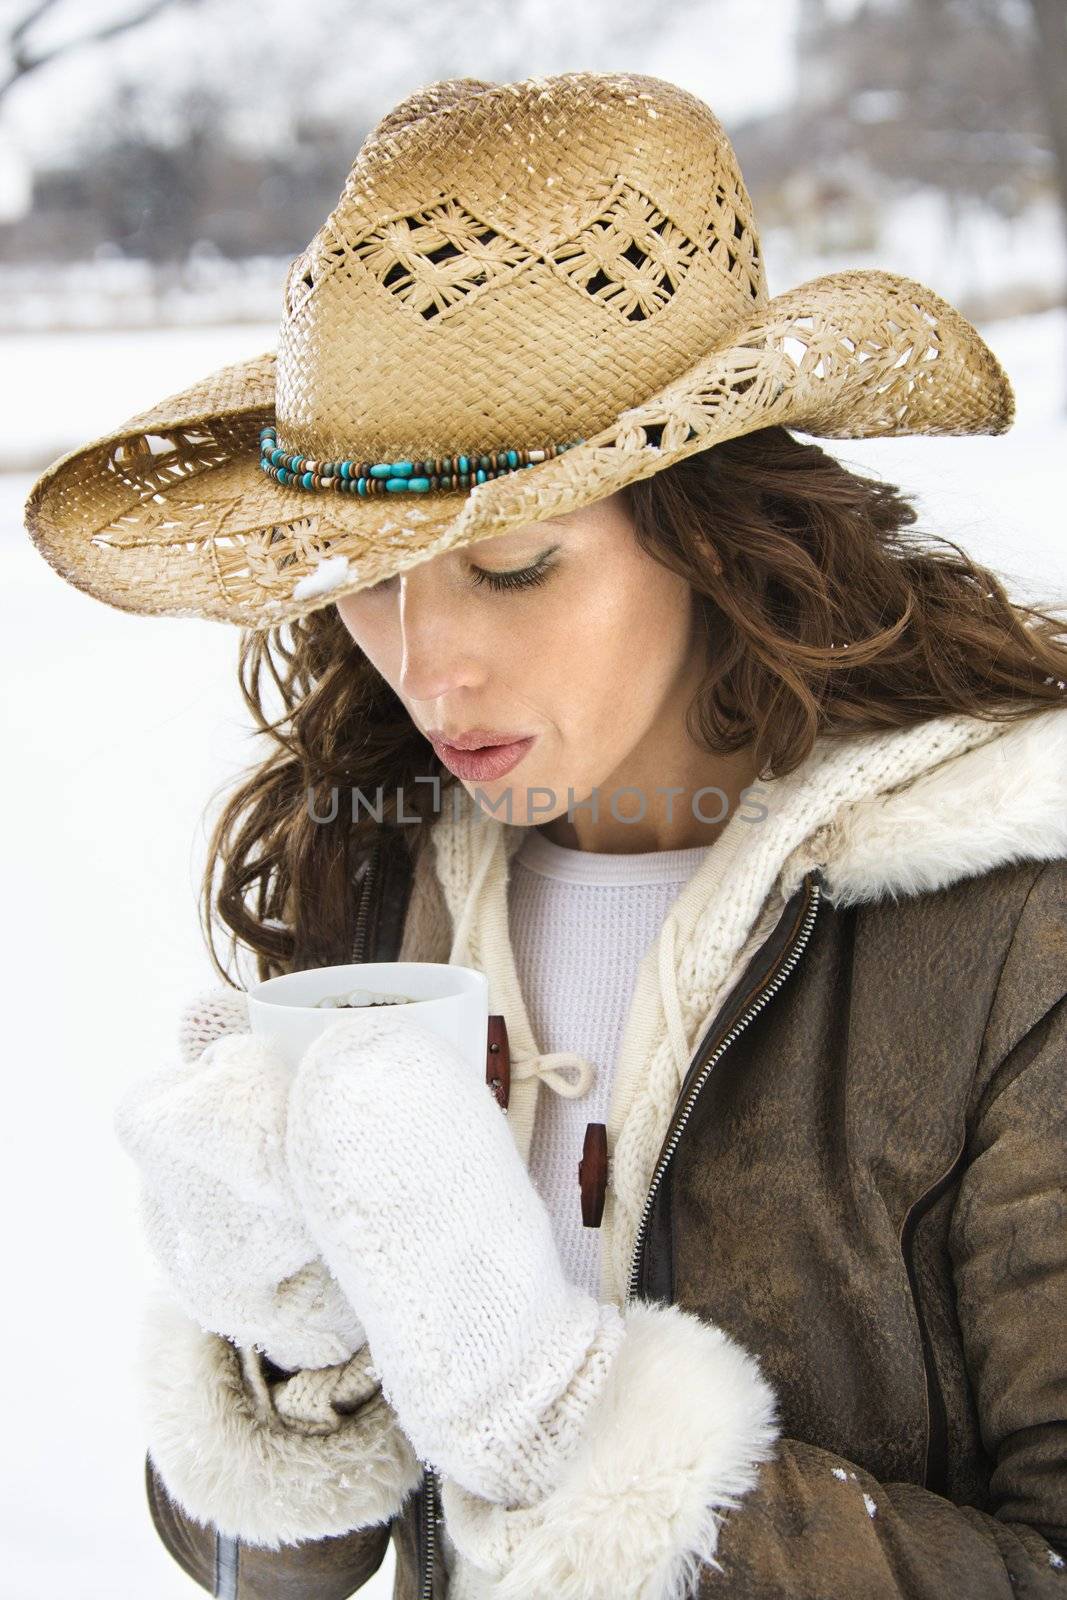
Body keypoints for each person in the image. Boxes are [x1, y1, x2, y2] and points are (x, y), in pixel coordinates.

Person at [24, 69, 1067, 1600]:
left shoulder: (1008, 937)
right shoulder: (380, 877)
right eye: (370, 576)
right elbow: (273, 1571)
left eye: (510, 564)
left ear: (715, 524)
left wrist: (568, 1421)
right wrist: (287, 1345)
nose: (429, 666)